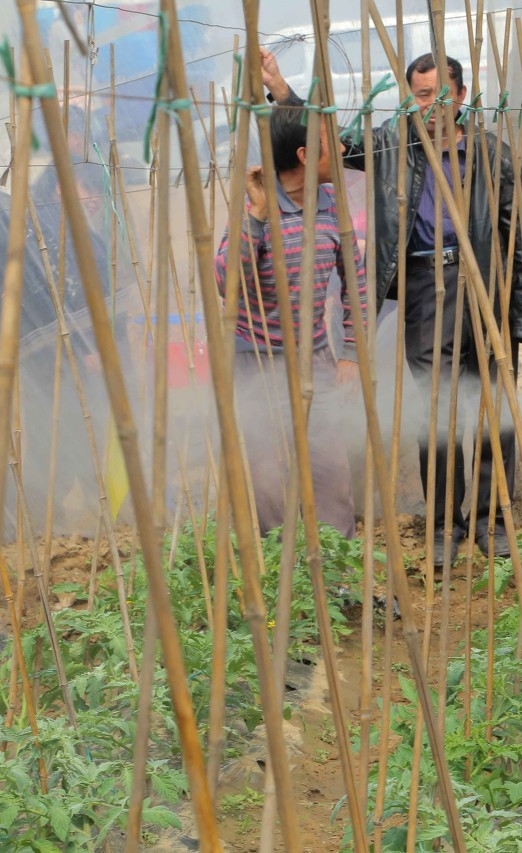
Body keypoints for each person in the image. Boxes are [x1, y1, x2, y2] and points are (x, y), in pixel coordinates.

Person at [261, 48, 522, 565]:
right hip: (423, 287)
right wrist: (283, 93)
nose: (429, 107)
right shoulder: (393, 145)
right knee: (433, 413)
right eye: (418, 96)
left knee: (488, 409)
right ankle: (443, 525)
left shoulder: (493, 155)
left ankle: (492, 520)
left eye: (439, 95)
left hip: (483, 287)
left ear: (461, 96)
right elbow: (333, 145)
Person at [213, 99, 368, 539]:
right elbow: (227, 283)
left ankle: (336, 583)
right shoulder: (255, 210)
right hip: (256, 366)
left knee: (332, 476)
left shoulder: (331, 204)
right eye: (330, 143)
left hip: (315, 358)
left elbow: (355, 283)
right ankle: (281, 587)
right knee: (267, 486)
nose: (341, 148)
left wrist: (352, 353)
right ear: (304, 155)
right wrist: (258, 219)